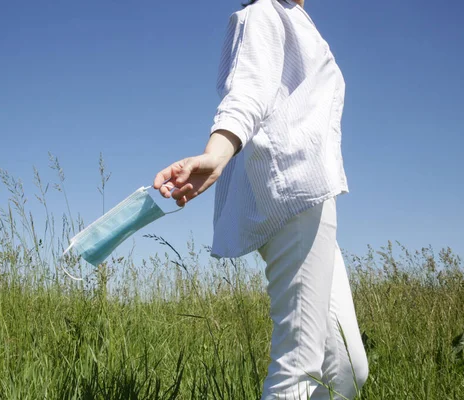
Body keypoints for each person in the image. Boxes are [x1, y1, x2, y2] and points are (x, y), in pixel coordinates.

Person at [153, 0, 368, 398]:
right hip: (291, 193)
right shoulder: (265, 12)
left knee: (345, 369)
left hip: (313, 199)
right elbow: (248, 90)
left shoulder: (295, 19)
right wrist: (218, 153)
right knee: (298, 370)